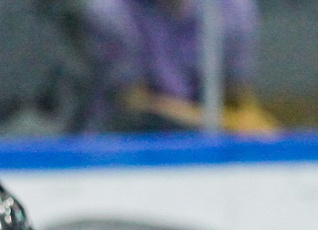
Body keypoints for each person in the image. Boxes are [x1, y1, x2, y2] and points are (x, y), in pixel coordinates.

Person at [79, 0, 278, 133]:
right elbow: (132, 103)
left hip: (208, 148)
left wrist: (257, 126)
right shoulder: (110, 10)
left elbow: (236, 97)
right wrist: (226, 123)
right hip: (121, 150)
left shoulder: (234, 9)